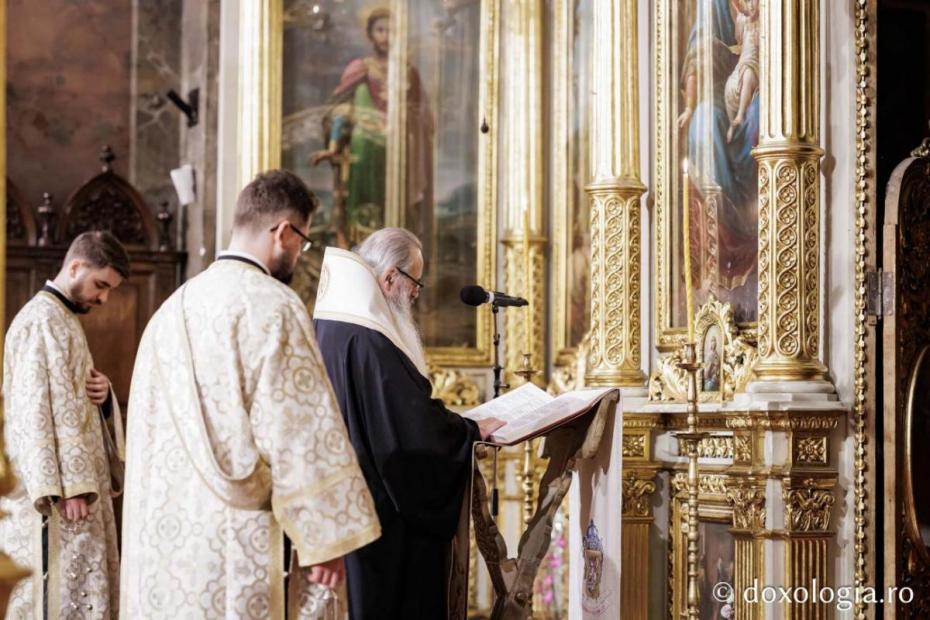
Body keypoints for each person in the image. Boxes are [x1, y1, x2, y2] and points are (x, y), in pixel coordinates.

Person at [120, 170, 381, 619]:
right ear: (284, 232)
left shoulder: (170, 310)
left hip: (165, 552)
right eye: (303, 242)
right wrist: (324, 535)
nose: (299, 253)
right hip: (235, 545)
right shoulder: (272, 306)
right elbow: (298, 428)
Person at [313, 227, 504, 619]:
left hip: (345, 504)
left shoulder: (334, 324)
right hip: (380, 521)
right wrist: (469, 432)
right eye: (415, 281)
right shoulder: (371, 339)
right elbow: (411, 432)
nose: (416, 293)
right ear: (389, 278)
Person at [0, 231, 129, 618]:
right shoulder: (41, 320)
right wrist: (72, 487)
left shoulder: (62, 318)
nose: (103, 299)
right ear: (75, 267)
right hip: (62, 500)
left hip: (78, 493)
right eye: (100, 285)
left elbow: (69, 401)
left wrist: (105, 398)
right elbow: (34, 409)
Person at [310, 8, 433, 250]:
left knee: (398, 214)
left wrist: (407, 116)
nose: (386, 36)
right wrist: (333, 146)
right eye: (380, 30)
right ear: (370, 34)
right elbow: (340, 110)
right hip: (364, 155)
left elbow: (423, 117)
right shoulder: (360, 69)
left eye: (391, 31)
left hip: (400, 157)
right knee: (363, 217)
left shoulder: (409, 73)